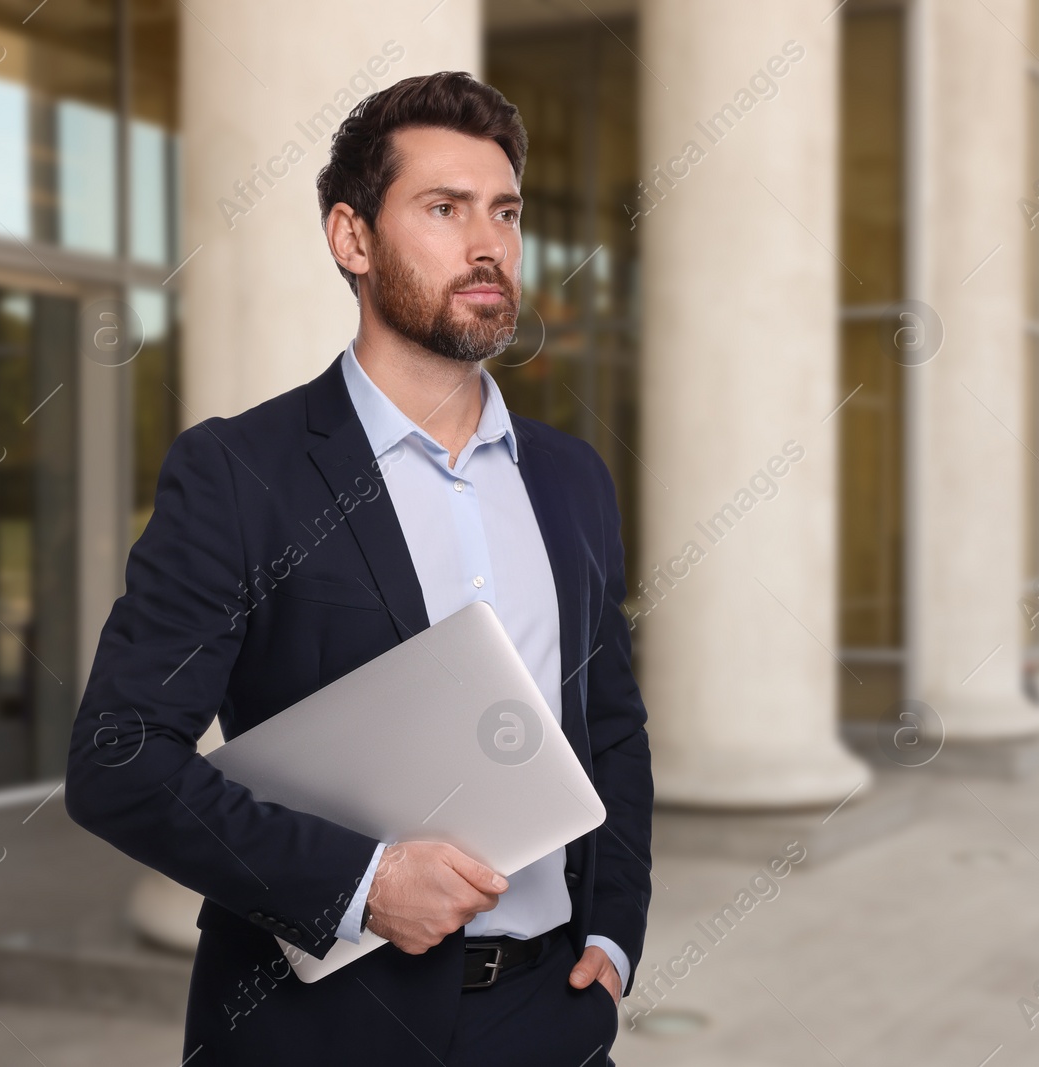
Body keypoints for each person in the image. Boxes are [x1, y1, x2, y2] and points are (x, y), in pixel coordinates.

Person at [65, 71, 652, 1066]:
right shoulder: (239, 472)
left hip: (550, 1014)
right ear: (352, 239)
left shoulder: (572, 475)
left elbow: (612, 723)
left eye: (504, 212)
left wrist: (612, 929)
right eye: (443, 208)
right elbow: (119, 756)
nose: (488, 244)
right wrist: (360, 882)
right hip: (319, 1029)